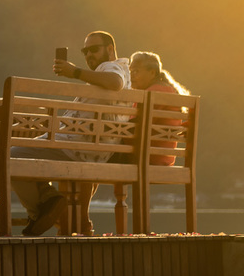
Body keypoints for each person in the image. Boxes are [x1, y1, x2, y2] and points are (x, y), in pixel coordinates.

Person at [11, 30, 131, 236]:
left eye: (94, 49)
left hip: (78, 146)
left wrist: (75, 72)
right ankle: (54, 206)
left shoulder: (111, 68)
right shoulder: (105, 76)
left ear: (110, 49)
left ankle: (45, 208)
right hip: (92, 147)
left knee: (12, 155)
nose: (88, 55)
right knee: (25, 151)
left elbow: (115, 82)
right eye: (85, 51)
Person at [129, 51, 190, 166]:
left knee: (96, 155)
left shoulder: (152, 93)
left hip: (146, 158)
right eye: (131, 71)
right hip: (162, 158)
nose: (132, 75)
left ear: (152, 73)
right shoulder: (167, 90)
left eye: (136, 71)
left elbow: (135, 129)